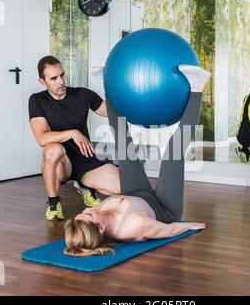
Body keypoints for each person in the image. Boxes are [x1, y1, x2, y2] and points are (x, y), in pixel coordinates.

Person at [64, 65, 211, 257]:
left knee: (123, 142)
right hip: (164, 207)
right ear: (100, 228)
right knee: (174, 151)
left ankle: (108, 87)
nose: (87, 208)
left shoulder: (97, 215)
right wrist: (188, 226)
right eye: (88, 214)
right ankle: (198, 85)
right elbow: (169, 230)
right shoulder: (132, 227)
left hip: (136, 193)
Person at [29, 56, 120, 221]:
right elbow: (42, 138)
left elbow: (113, 112)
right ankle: (54, 203)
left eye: (62, 75)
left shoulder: (82, 94)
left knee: (120, 187)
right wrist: (72, 133)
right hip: (62, 163)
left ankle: (85, 185)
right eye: (54, 78)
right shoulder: (37, 100)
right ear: (42, 82)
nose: (61, 81)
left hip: (86, 159)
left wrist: (119, 90)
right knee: (52, 150)